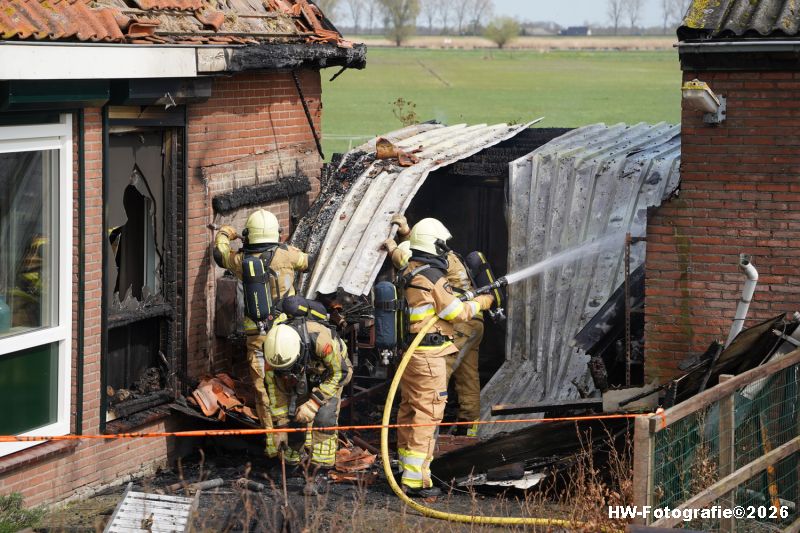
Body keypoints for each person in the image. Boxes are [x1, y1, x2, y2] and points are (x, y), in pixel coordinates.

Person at [391, 217, 493, 497]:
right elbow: (454, 313)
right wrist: (481, 302)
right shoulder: (434, 276)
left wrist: (399, 238)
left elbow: (402, 252)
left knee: (410, 408)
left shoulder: (408, 269)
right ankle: (417, 480)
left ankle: (404, 468)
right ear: (435, 245)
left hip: (413, 354)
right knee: (428, 411)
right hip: (431, 354)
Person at [213, 209, 309, 454]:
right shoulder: (287, 255)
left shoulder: (241, 261)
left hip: (257, 337)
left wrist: (225, 233)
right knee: (293, 384)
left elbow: (219, 254)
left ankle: (271, 445)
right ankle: (299, 444)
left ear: (249, 235)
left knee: (263, 389)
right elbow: (307, 262)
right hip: (287, 334)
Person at [383, 214, 485, 438]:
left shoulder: (433, 267)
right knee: (468, 375)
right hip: (474, 323)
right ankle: (469, 428)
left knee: (438, 374)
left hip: (461, 322)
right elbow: (419, 251)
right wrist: (406, 232)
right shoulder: (445, 254)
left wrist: (393, 249)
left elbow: (407, 262)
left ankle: (430, 434)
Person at [262, 319, 352, 495]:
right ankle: (291, 462)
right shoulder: (272, 353)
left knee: (324, 419)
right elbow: (276, 392)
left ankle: (321, 473)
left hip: (331, 373)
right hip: (303, 373)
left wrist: (314, 402)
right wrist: (280, 428)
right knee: (294, 414)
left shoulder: (320, 341)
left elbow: (342, 372)